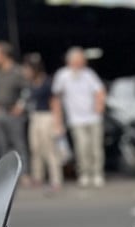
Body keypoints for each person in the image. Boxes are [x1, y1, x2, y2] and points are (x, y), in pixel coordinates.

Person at [53, 46, 106, 189]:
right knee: (82, 147)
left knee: (96, 148)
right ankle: (85, 173)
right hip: (76, 119)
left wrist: (100, 105)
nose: (82, 62)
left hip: (93, 118)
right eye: (79, 60)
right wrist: (58, 120)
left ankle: (97, 173)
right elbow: (56, 98)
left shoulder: (89, 74)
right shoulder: (62, 75)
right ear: (71, 61)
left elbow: (100, 90)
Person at [23, 54, 63, 193]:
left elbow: (55, 102)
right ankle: (38, 177)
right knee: (35, 148)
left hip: (47, 116)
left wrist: (58, 122)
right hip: (34, 116)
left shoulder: (47, 82)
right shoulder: (30, 84)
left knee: (49, 149)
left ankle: (55, 179)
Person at [0, 41, 29, 170]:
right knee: (2, 146)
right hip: (0, 113)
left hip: (13, 113)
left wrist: (20, 106)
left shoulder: (18, 72)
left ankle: (23, 173)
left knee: (18, 145)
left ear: (4, 55)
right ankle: (6, 174)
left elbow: (27, 90)